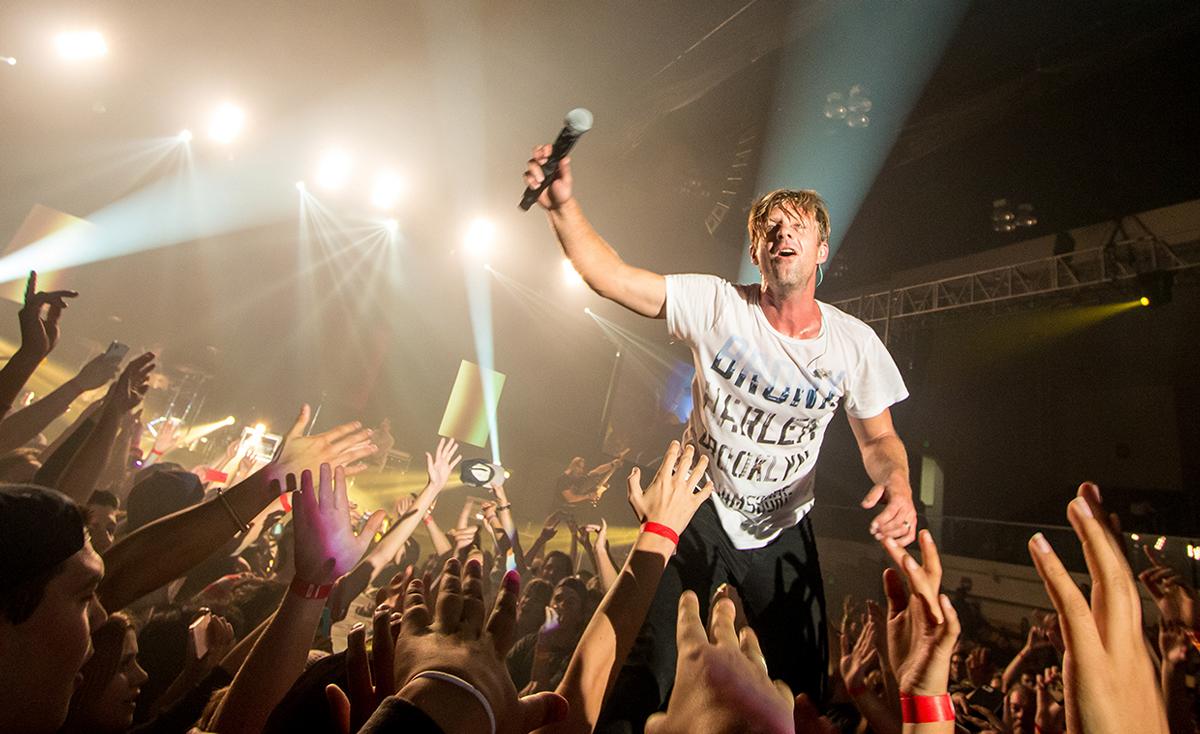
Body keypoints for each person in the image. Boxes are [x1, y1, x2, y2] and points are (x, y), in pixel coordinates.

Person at [523, 140, 915, 725]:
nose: (782, 232)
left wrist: (900, 484)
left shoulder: (853, 344)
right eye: (769, 227)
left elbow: (879, 440)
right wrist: (562, 207)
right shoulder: (718, 304)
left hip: (783, 525)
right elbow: (614, 279)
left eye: (797, 226)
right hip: (700, 508)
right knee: (648, 669)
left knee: (803, 689)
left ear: (821, 250)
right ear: (757, 253)